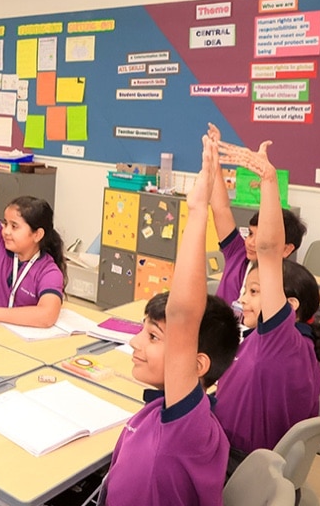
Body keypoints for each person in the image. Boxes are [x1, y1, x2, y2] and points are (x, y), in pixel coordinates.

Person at [103, 134, 239, 506]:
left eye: (153, 336)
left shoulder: (186, 425)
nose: (134, 342)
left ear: (196, 365)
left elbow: (183, 315)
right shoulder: (177, 412)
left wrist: (197, 211)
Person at [214, 139, 320, 460]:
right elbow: (221, 210)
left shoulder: (280, 341)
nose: (242, 300)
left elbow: (269, 250)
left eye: (255, 291)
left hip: (240, 459)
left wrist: (269, 181)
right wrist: (212, 169)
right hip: (248, 452)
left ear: (289, 307)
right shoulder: (283, 342)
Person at [0, 112, 65, 328]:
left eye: (14, 226)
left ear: (38, 234)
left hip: (16, 345)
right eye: (5, 223)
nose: (5, 231)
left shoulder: (48, 270)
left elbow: (47, 316)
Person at [207, 123, 307, 309]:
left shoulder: (284, 282)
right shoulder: (238, 253)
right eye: (251, 234)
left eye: (261, 238)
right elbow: (220, 208)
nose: (252, 243)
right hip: (219, 334)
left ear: (286, 249)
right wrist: (212, 159)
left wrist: (268, 178)